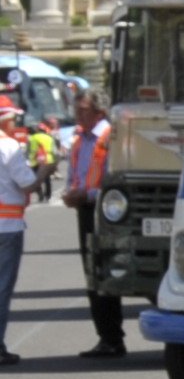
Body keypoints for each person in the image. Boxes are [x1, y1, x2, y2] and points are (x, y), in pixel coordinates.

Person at [61, 91, 123, 357]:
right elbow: (76, 174)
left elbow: (117, 182)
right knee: (92, 274)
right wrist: (71, 192)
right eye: (76, 110)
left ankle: (112, 337)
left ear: (100, 112)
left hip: (107, 212)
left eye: (84, 110)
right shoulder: (79, 140)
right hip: (85, 210)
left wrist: (86, 194)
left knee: (106, 272)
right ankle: (107, 337)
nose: (78, 116)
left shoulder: (111, 137)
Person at [0, 109, 37, 367]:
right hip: (7, 226)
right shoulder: (9, 146)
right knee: (1, 289)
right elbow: (27, 183)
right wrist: (46, 170)